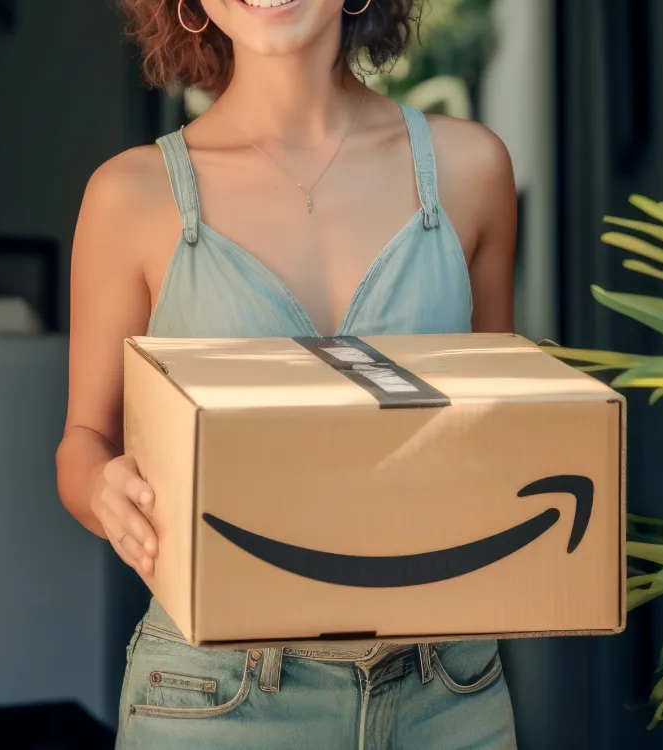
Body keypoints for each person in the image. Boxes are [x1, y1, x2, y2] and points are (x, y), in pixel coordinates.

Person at [55, 0, 519, 746]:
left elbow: (505, 422)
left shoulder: (470, 171)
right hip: (217, 694)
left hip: (447, 691)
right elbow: (83, 441)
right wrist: (103, 489)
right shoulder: (130, 195)